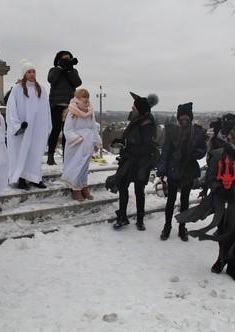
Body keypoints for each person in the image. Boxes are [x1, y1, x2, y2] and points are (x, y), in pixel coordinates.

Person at [177, 120, 235, 284]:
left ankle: (233, 266)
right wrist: (219, 189)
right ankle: (221, 259)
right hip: (224, 199)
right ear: (228, 135)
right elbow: (211, 177)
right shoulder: (218, 154)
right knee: (223, 230)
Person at [109, 92, 159, 231]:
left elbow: (147, 148)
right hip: (129, 160)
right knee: (123, 186)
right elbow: (129, 138)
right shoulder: (136, 120)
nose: (132, 109)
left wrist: (128, 151)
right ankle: (123, 217)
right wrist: (119, 141)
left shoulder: (146, 124)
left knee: (139, 190)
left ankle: (140, 219)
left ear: (139, 110)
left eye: (134, 108)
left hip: (141, 163)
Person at [157, 102, 207, 241]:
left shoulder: (197, 132)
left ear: (190, 117)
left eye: (187, 116)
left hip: (188, 170)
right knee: (171, 201)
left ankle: (182, 227)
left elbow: (203, 149)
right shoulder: (172, 131)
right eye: (182, 116)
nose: (184, 118)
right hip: (173, 169)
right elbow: (166, 151)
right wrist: (162, 168)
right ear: (178, 118)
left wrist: (196, 153)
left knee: (184, 201)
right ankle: (167, 227)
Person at [6, 59, 52, 190]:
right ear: (24, 74)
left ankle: (35, 178)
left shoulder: (41, 89)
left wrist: (47, 125)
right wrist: (17, 125)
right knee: (21, 152)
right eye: (29, 72)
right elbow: (11, 109)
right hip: (23, 129)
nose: (32, 74)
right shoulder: (17, 89)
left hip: (37, 128)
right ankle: (20, 178)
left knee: (35, 152)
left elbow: (45, 109)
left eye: (33, 71)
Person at [60, 88, 102, 201]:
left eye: (87, 96)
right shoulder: (72, 111)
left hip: (87, 143)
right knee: (76, 165)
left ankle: (83, 186)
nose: (86, 99)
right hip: (77, 144)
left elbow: (93, 128)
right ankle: (75, 189)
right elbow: (68, 130)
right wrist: (78, 140)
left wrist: (96, 142)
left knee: (84, 166)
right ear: (78, 98)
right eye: (84, 96)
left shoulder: (90, 110)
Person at [47, 50, 82, 165]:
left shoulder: (72, 71)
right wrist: (59, 67)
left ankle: (66, 156)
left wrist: (69, 70)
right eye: (64, 59)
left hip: (69, 106)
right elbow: (52, 80)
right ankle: (50, 156)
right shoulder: (54, 70)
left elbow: (77, 83)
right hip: (56, 105)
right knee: (55, 131)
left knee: (67, 132)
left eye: (68, 58)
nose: (67, 60)